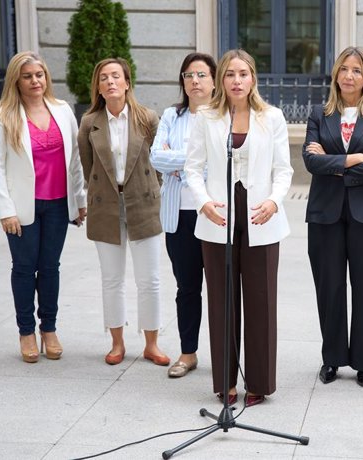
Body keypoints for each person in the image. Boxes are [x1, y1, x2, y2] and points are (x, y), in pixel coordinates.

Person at [184, 49, 293, 407]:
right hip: (219, 222)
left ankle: (259, 382)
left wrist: (275, 201)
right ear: (221, 80)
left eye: (243, 74)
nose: (236, 80)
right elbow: (192, 168)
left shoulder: (271, 117)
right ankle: (225, 382)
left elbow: (283, 170)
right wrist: (203, 202)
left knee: (261, 304)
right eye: (230, 74)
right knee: (221, 303)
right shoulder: (207, 117)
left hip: (262, 220)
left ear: (253, 79)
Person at [0, 51, 86, 363]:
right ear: (17, 79)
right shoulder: (3, 113)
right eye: (27, 76)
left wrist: (79, 201)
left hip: (57, 204)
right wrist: (5, 210)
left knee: (51, 268)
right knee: (25, 269)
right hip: (22, 209)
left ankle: (49, 329)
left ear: (46, 77)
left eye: (39, 75)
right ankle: (26, 331)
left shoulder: (62, 109)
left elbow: (76, 160)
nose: (35, 81)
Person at [303, 46, 363, 387]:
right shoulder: (318, 114)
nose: (349, 76)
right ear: (335, 74)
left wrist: (337, 163)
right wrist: (356, 159)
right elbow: (311, 161)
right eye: (344, 69)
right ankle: (333, 359)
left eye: (356, 70)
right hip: (325, 213)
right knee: (330, 287)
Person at [78, 58, 168, 367]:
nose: (110, 82)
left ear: (127, 83)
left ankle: (152, 344)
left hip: (143, 204)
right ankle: (117, 343)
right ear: (99, 88)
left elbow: (158, 165)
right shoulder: (90, 123)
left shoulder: (147, 118)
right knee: (111, 280)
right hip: (106, 207)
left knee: (150, 280)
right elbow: (89, 167)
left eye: (116, 76)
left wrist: (150, 191)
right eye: (103, 78)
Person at [150, 52, 216, 378]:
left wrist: (182, 163)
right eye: (189, 75)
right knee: (187, 288)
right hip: (179, 215)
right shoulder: (171, 116)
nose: (195, 81)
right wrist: (194, 162)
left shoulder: (224, 117)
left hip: (214, 215)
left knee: (221, 290)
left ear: (214, 81)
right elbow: (155, 158)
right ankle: (188, 353)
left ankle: (225, 354)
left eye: (202, 75)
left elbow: (221, 161)